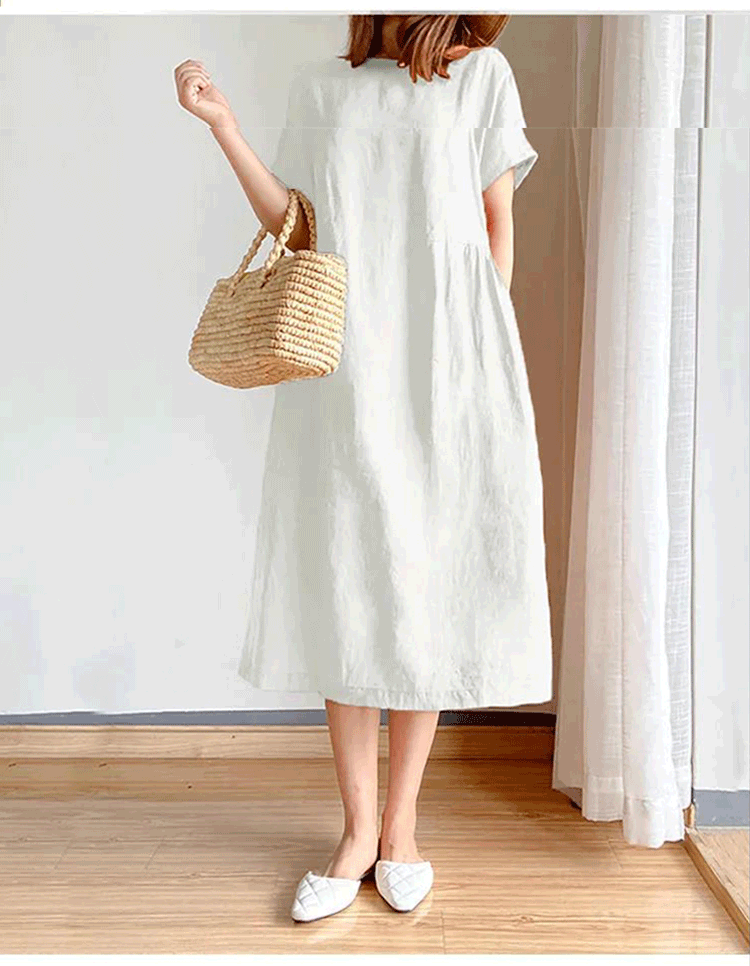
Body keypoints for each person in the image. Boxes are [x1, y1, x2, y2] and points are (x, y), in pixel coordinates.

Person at [174, 12, 553, 921]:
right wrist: (225, 126)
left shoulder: (482, 76)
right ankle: (353, 833)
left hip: (451, 368)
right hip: (346, 367)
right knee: (350, 585)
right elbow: (298, 226)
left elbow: (496, 225)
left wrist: (478, 361)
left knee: (424, 588)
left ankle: (401, 828)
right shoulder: (321, 86)